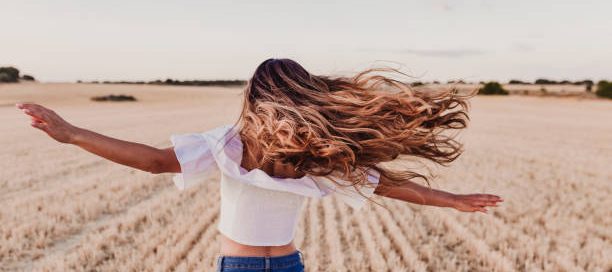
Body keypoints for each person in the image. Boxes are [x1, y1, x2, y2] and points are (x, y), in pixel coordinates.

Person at [16, 58, 502, 272]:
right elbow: (386, 187)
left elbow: (154, 163)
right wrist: (452, 200)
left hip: (240, 264)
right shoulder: (314, 155)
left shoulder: (230, 144)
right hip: (288, 264)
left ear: (256, 98)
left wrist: (72, 133)